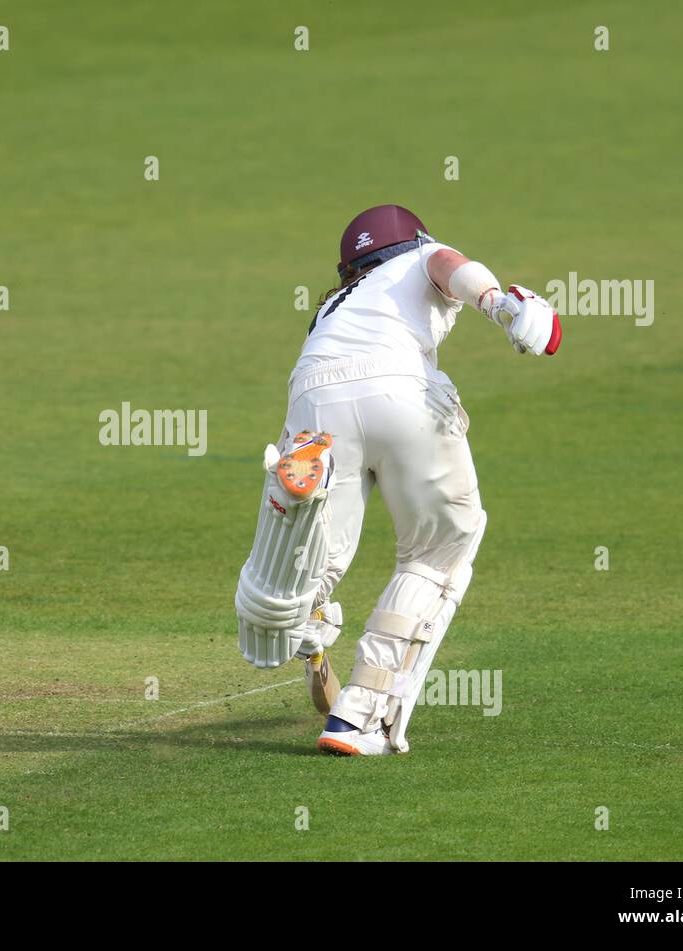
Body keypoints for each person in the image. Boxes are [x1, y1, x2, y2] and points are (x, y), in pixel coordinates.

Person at [233, 204, 560, 755]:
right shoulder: (419, 256)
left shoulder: (332, 308)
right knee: (437, 550)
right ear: (411, 240)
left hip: (314, 400)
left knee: (317, 551)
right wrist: (499, 304)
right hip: (400, 389)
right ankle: (359, 713)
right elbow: (452, 267)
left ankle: (306, 614)